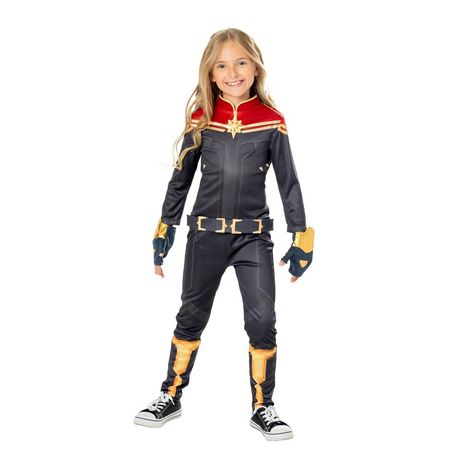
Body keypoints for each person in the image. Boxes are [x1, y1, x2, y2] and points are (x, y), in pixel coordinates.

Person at [133, 28, 315, 441]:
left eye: (241, 62)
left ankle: (263, 406)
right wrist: (165, 227)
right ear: (211, 73)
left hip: (254, 239)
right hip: (205, 237)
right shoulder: (202, 118)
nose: (232, 72)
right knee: (191, 316)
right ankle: (170, 395)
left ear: (256, 68)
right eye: (222, 65)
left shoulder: (271, 121)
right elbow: (180, 180)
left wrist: (300, 236)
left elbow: (289, 182)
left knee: (263, 319)